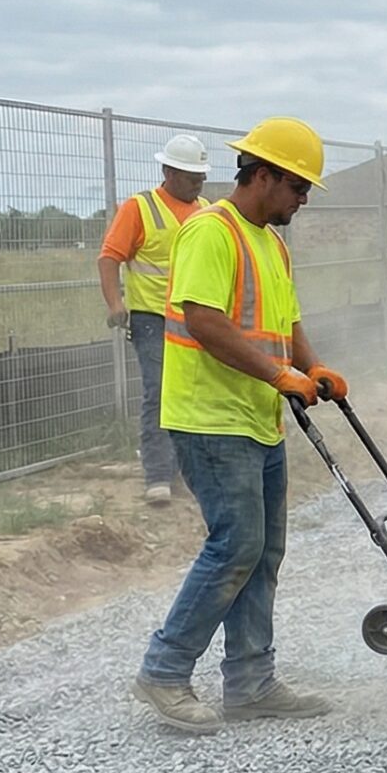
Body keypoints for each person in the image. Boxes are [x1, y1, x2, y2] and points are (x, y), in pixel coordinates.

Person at [130, 117, 344, 736]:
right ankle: (164, 671)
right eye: (299, 187)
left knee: (265, 550)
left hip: (257, 417)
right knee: (236, 544)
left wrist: (315, 367)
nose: (303, 200)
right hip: (209, 416)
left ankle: (251, 682)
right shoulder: (210, 232)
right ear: (266, 175)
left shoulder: (271, 242)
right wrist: (280, 377)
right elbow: (204, 320)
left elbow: (287, 321)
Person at [96, 133, 210, 504]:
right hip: (152, 319)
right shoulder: (139, 208)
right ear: (168, 172)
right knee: (160, 394)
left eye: (201, 176)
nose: (198, 183)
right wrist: (116, 304)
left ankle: (191, 470)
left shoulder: (206, 211)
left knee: (196, 395)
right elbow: (109, 257)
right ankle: (159, 476)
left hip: (198, 320)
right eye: (192, 176)